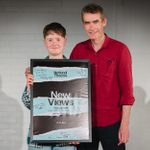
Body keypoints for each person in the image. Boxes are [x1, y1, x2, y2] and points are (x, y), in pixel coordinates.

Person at [70, 3, 135, 150]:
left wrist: (124, 125)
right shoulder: (78, 50)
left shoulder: (120, 50)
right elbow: (70, 89)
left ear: (104, 22)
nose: (91, 27)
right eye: (87, 22)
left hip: (112, 122)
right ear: (83, 25)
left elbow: (127, 92)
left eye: (95, 22)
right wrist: (71, 127)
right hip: (84, 124)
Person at [22, 22, 77, 150]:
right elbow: (28, 103)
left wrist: (78, 132)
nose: (54, 43)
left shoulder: (75, 71)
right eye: (50, 39)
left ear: (65, 40)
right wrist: (29, 87)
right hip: (39, 139)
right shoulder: (37, 70)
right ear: (44, 42)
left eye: (58, 39)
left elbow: (78, 105)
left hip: (65, 139)